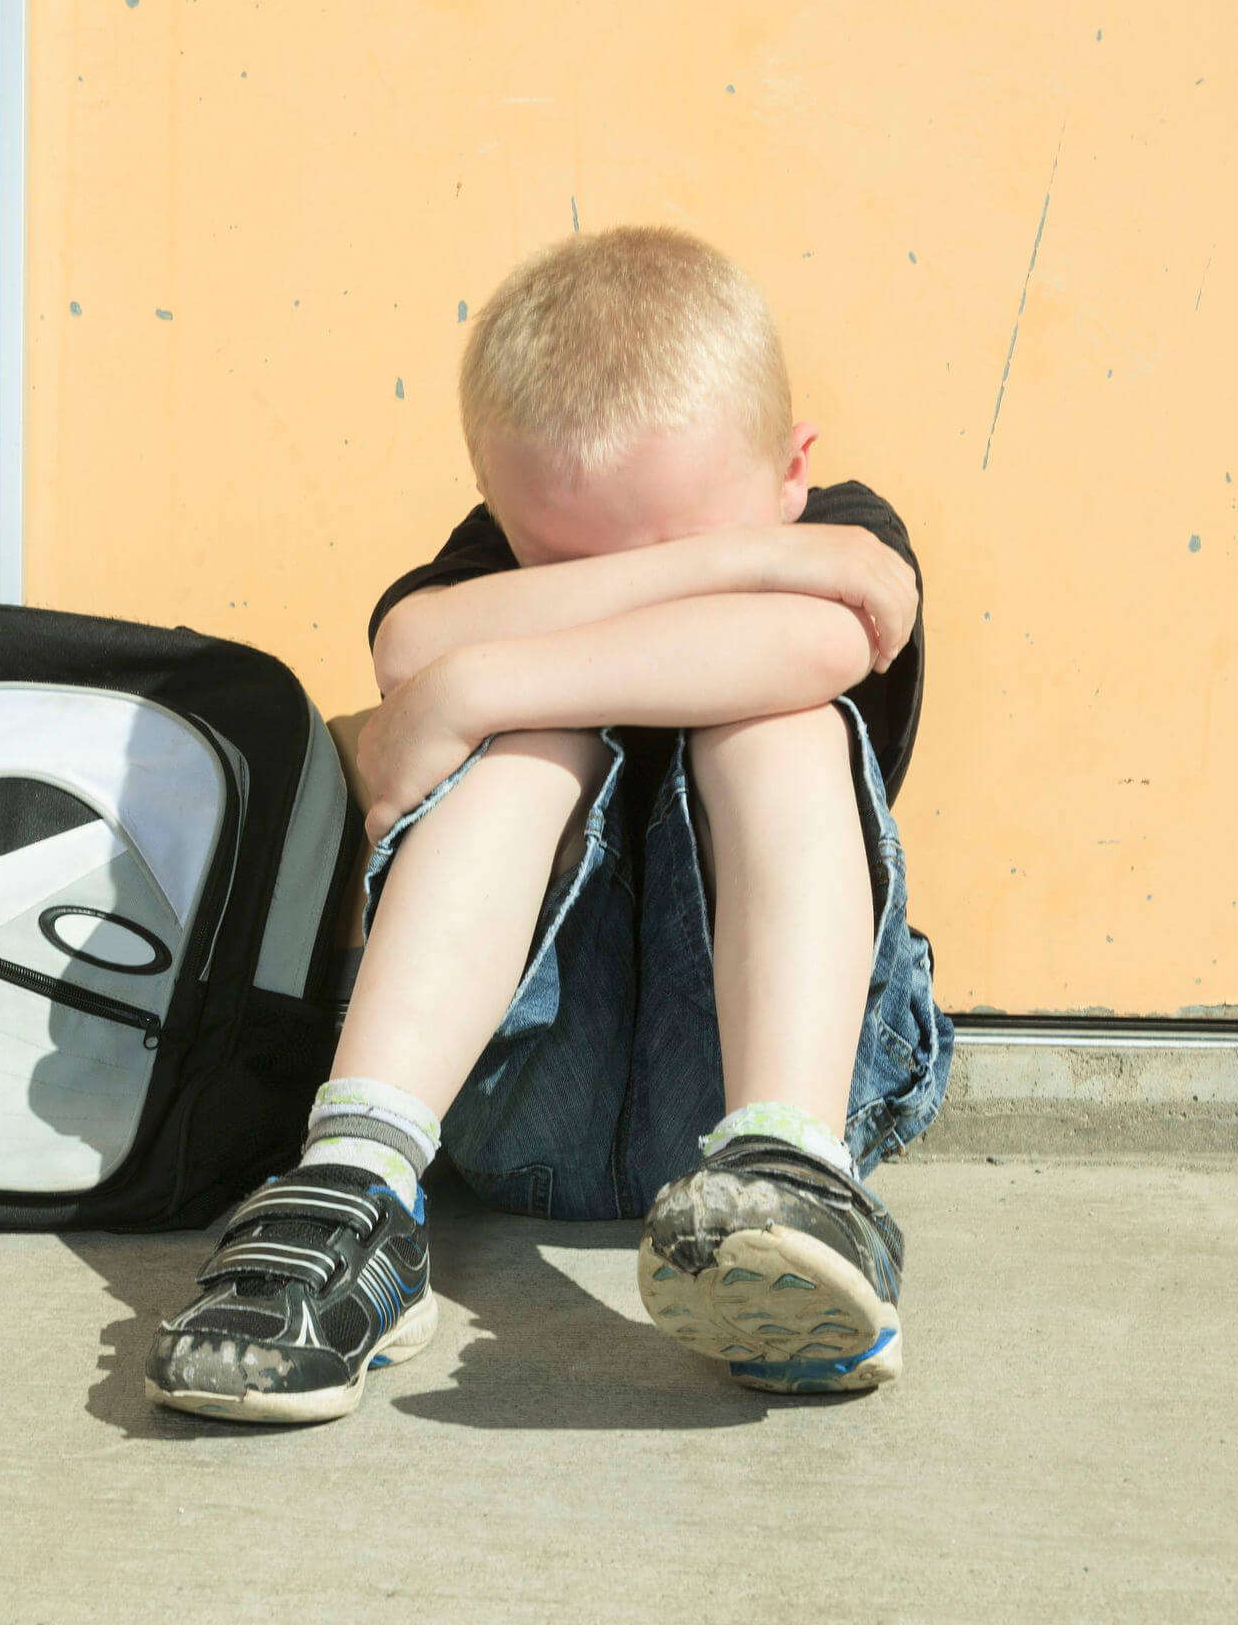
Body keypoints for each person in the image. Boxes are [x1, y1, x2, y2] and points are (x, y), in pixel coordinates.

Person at [143, 226, 953, 1423]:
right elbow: (413, 648)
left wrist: (483, 681)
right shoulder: (784, 548)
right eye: (565, 565)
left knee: (774, 716)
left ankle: (795, 1177)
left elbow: (827, 643)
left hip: (766, 1081)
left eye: (686, 551)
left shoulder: (846, 520)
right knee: (535, 743)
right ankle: (354, 1183)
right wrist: (732, 564)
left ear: (797, 474)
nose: (634, 580)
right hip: (509, 1090)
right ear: (501, 510)